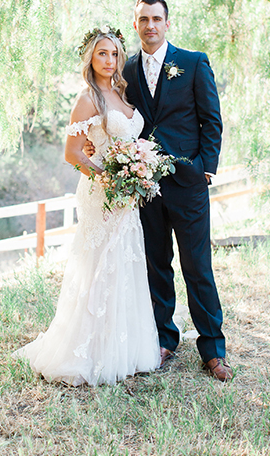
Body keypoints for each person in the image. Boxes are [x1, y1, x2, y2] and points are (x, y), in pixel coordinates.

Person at [86, 0, 232, 381]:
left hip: (188, 183)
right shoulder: (125, 71)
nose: (150, 25)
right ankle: (164, 339)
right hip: (144, 187)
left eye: (156, 18)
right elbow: (109, 113)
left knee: (197, 266)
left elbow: (211, 120)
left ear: (167, 23)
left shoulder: (193, 62)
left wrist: (206, 169)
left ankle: (212, 349)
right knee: (155, 264)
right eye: (143, 19)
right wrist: (92, 142)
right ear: (134, 25)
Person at [13, 27, 160, 386]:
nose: (109, 61)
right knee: (100, 262)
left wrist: (137, 169)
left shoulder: (122, 93)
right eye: (102, 55)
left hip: (127, 195)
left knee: (124, 260)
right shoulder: (88, 98)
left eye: (114, 54)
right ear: (90, 59)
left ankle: (124, 346)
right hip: (102, 192)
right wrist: (109, 177)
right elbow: (72, 153)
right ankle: (86, 350)